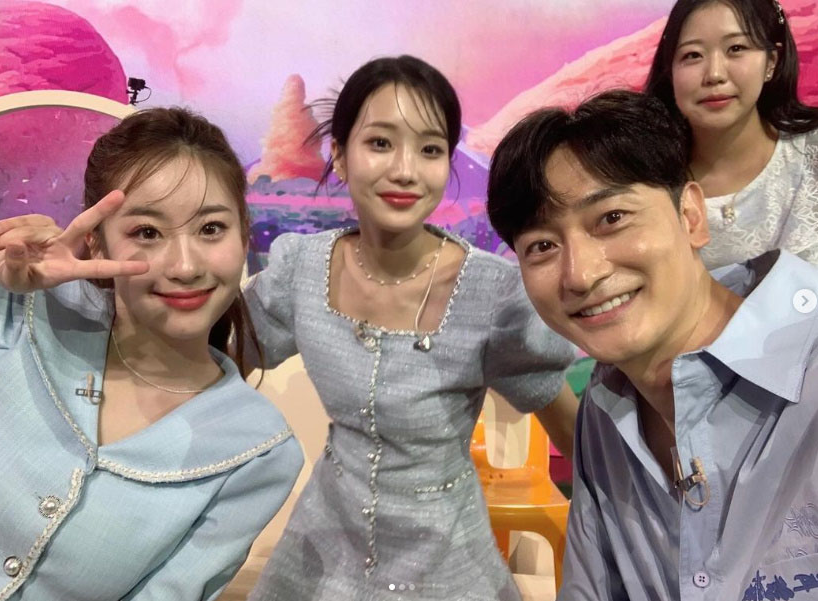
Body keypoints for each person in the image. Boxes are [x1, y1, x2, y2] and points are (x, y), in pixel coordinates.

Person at [245, 55, 578, 600]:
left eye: (430, 149)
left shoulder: (494, 292)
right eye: (380, 143)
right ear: (340, 155)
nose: (405, 170)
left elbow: (573, 432)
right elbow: (208, 359)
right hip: (321, 555)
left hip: (448, 565)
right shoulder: (300, 268)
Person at [486, 89, 818, 600]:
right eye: (543, 246)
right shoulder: (606, 409)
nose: (581, 275)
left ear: (691, 216)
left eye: (611, 218)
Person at [0, 107, 302, 600]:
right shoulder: (18, 309)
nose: (185, 266)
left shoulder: (259, 451)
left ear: (243, 233)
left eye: (211, 229)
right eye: (147, 233)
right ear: (96, 242)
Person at [645, 0, 818, 269]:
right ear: (670, 71)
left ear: (771, 62)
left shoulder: (811, 151)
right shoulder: (644, 183)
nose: (714, 75)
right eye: (693, 55)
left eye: (736, 48)